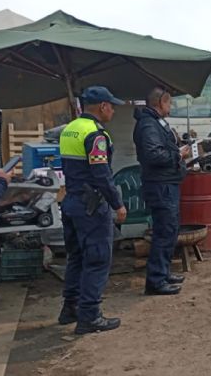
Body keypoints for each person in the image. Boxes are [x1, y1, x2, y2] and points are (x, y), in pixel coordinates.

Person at [58, 85, 127, 335]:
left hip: (71, 202)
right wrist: (117, 204)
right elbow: (101, 175)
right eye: (112, 107)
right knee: (97, 259)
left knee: (76, 257)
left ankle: (70, 308)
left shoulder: (70, 129)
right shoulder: (96, 134)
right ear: (103, 107)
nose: (114, 111)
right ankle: (90, 316)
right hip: (91, 206)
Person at [133, 87, 190, 296]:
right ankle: (155, 281)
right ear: (161, 103)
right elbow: (153, 155)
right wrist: (178, 155)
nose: (171, 107)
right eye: (169, 103)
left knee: (171, 229)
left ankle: (163, 272)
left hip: (167, 183)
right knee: (164, 232)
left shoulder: (156, 122)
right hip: (160, 185)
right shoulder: (148, 124)